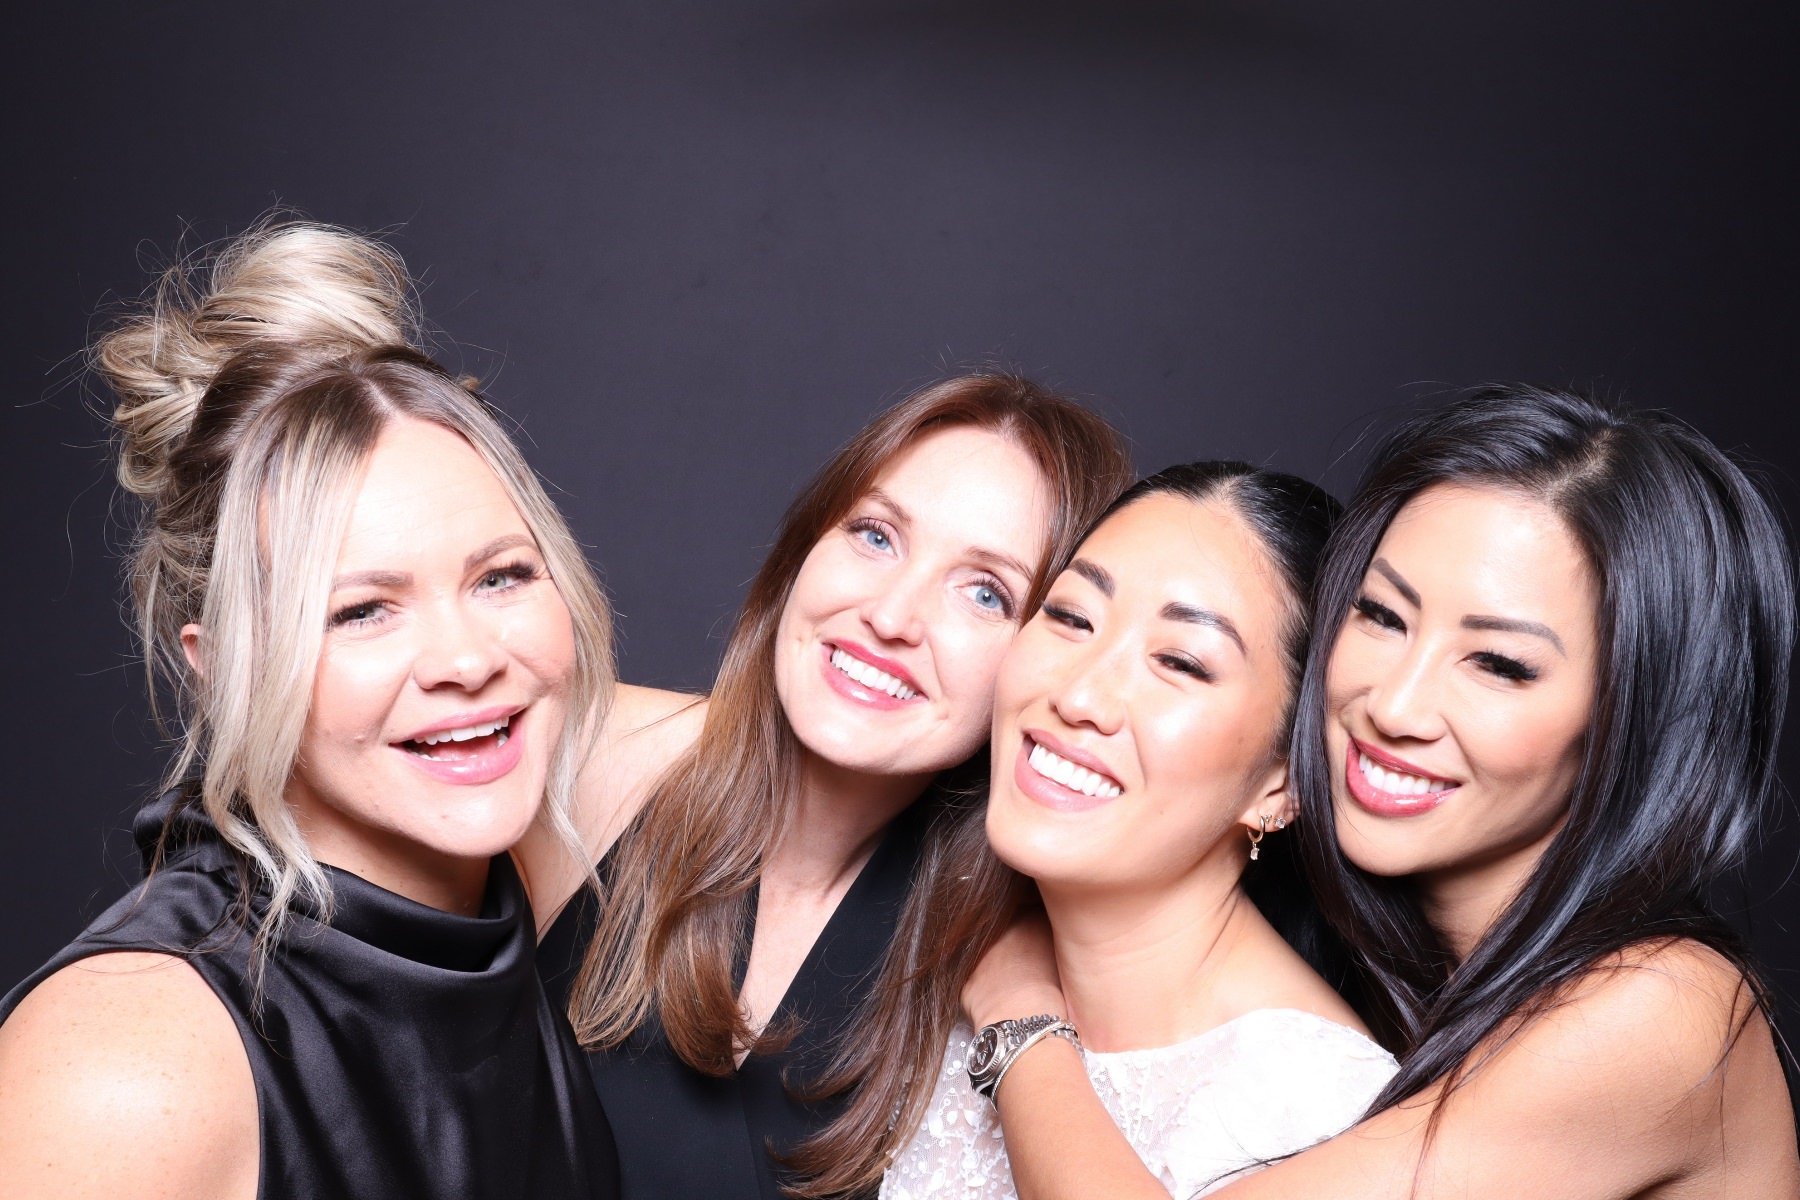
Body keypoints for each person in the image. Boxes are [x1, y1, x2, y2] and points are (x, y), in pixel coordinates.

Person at [961, 386, 1800, 1198]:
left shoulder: (1664, 1008)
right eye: (1383, 617)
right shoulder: (1388, 963)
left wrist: (1021, 1019)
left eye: (1500, 665)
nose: (1392, 706)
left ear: (1631, 727)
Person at [0, 222, 621, 1200]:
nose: (466, 660)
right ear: (222, 669)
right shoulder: (123, 1067)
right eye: (361, 609)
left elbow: (774, 733)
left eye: (501, 577)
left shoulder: (519, 853)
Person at [531, 373, 1133, 1199]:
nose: (892, 614)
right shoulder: (595, 756)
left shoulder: (1016, 953)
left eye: (985, 591)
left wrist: (1019, 1006)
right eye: (877, 536)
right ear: (805, 549)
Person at [880, 462, 1396, 1199]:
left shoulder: (1317, 1112)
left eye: (1180, 662)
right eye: (1070, 617)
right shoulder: (946, 956)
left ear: (1281, 781)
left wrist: (1019, 1020)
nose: (1081, 693)